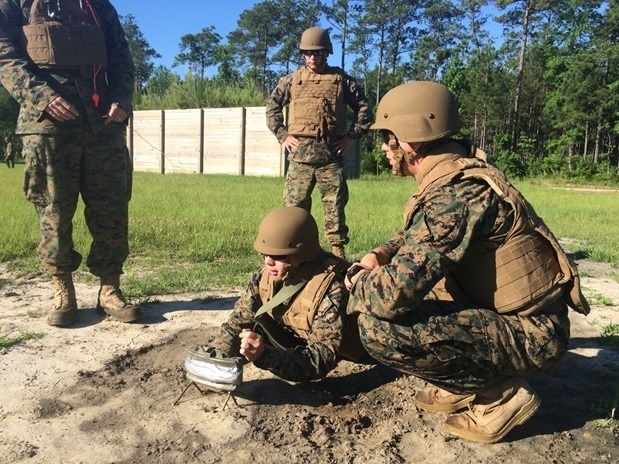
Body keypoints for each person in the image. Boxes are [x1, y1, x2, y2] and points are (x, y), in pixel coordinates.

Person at [345, 81, 590, 444]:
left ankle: (500, 396)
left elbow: (391, 295)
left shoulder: (456, 195)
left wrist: (354, 282)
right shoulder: (456, 170)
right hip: (518, 318)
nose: (384, 147)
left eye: (389, 137)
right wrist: (381, 254)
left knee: (378, 326)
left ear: (410, 139)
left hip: (535, 334)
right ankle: (463, 383)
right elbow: (420, 235)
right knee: (421, 297)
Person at [0, 0, 140, 326]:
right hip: (47, 119)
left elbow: (121, 56)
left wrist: (121, 98)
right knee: (54, 208)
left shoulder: (97, 5)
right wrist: (42, 96)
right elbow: (4, 54)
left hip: (103, 116)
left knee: (112, 206)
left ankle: (110, 289)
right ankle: (63, 288)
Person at [207, 206, 364, 383]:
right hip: (299, 340)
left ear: (302, 252)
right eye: (264, 254)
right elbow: (241, 317)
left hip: (348, 353)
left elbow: (318, 363)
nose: (268, 262)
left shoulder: (331, 289)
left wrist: (264, 356)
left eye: (278, 256)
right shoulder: (266, 276)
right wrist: (220, 354)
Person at [266, 27, 372, 261]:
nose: (314, 58)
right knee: (294, 210)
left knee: (334, 207)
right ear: (303, 54)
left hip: (330, 159)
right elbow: (272, 107)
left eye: (319, 53)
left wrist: (350, 137)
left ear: (327, 53)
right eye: (309, 53)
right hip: (300, 159)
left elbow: (365, 108)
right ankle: (293, 253)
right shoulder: (292, 80)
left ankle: (337, 253)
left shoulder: (341, 80)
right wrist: (283, 135)